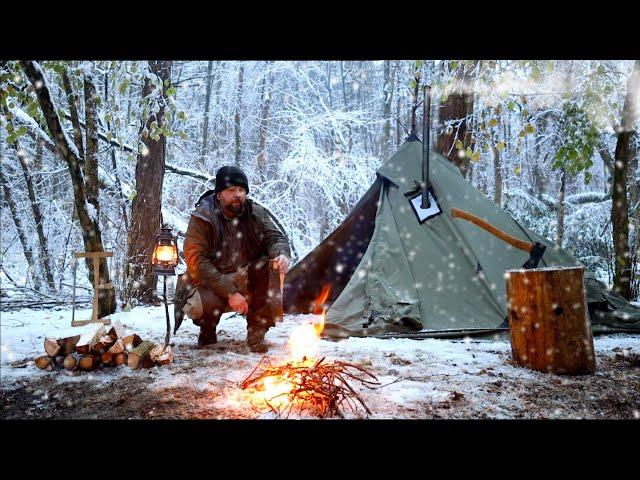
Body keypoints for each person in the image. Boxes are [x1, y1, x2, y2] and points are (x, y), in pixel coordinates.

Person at [173, 166, 291, 353]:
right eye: (231, 190)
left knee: (270, 269)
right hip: (209, 277)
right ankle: (207, 328)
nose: (238, 194)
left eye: (242, 190)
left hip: (245, 274)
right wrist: (231, 293)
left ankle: (256, 331)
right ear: (219, 194)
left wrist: (281, 254)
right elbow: (197, 261)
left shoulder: (255, 213)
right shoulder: (203, 217)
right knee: (202, 305)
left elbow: (274, 237)